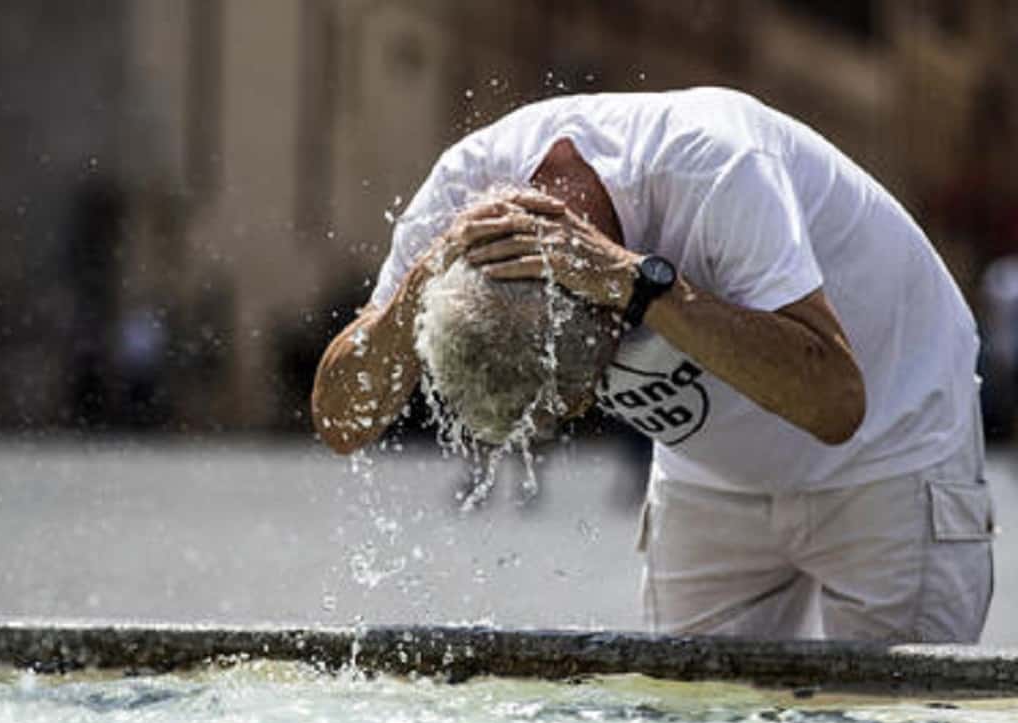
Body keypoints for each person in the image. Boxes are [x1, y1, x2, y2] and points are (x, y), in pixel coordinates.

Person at [311, 87, 994, 643]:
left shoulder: (715, 164)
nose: (580, 416)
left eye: (574, 400)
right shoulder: (462, 192)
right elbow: (343, 423)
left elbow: (838, 404)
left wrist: (641, 283)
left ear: (611, 322)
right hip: (712, 473)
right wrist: (415, 289)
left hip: (891, 442)